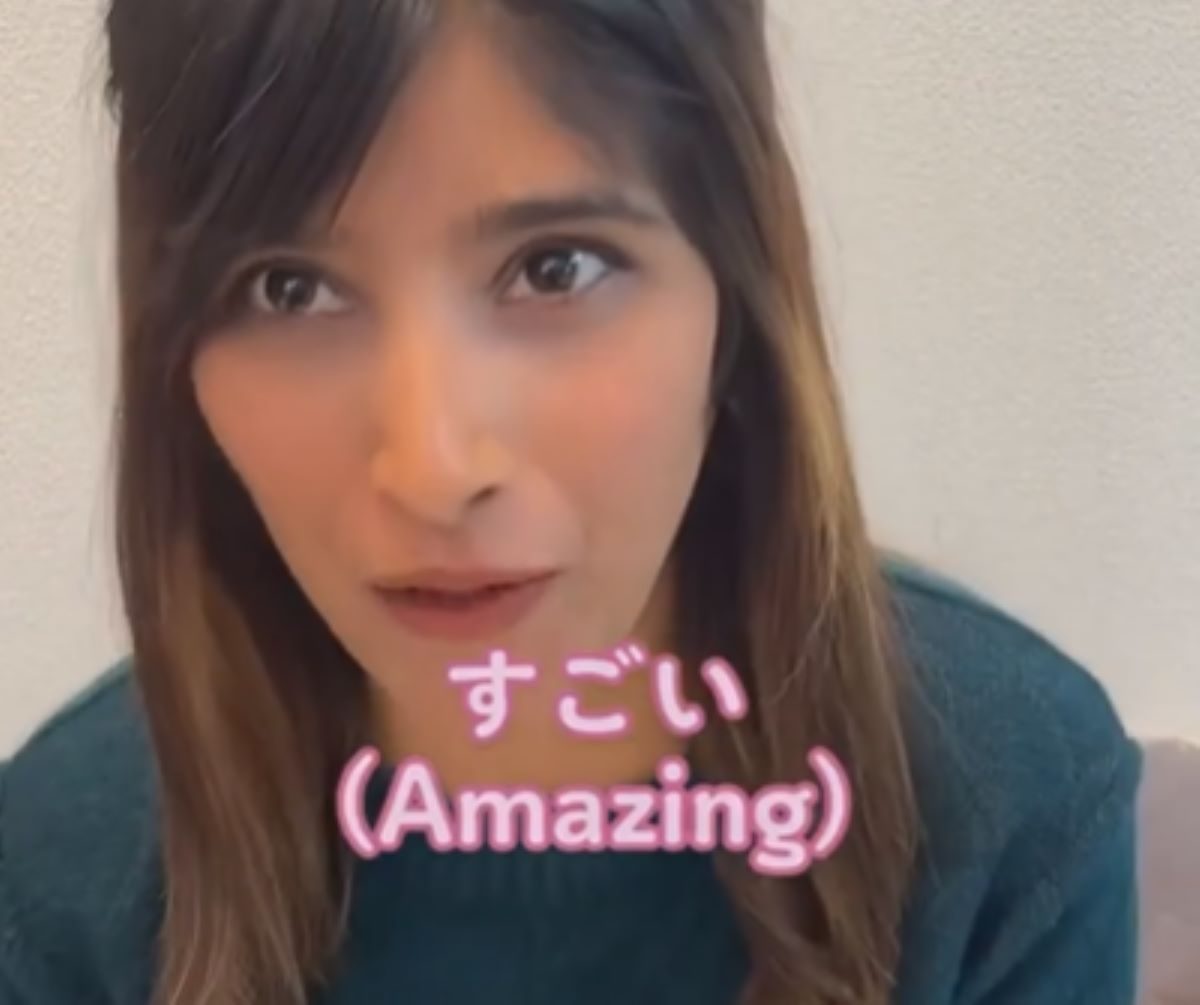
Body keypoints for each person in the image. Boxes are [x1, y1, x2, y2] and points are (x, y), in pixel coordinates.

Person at [0, 2, 1141, 1003]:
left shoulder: (1008, 794)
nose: (434, 467)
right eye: (289, 289)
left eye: (556, 268)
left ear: (733, 299)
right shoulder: (56, 874)